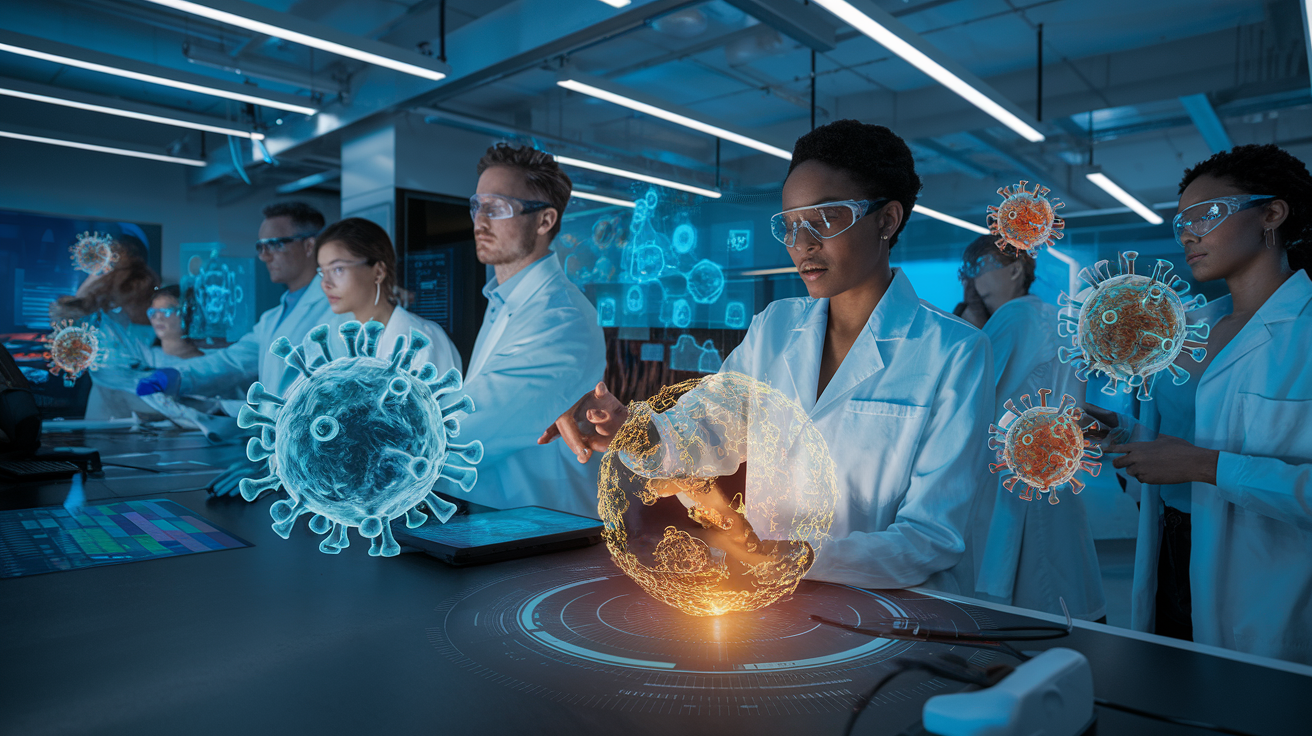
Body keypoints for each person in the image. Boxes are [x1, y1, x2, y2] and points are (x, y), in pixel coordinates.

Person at [543, 120, 994, 592]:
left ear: (887, 219)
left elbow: (931, 537)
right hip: (765, 601)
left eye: (825, 219)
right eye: (792, 224)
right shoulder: (776, 328)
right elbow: (704, 428)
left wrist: (787, 556)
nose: (802, 244)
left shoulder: (954, 352)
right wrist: (631, 430)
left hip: (885, 614)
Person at [1103, 144, 1312, 664]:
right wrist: (1124, 434)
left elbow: (1204, 458)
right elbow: (1185, 441)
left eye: (1206, 214)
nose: (1188, 233)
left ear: (1272, 213)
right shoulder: (1187, 332)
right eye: (1181, 222)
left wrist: (1207, 467)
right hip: (1171, 555)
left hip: (1267, 586)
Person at [954, 236, 1106, 621]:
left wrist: (971, 320)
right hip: (1051, 470)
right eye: (968, 272)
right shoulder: (1051, 316)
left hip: (1010, 477)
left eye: (980, 269)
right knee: (1060, 581)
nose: (973, 282)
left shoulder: (1014, 317)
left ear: (1016, 270)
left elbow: (966, 398)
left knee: (1024, 597)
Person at [137, 201, 335, 495]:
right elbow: (233, 363)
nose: (265, 255)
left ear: (310, 246)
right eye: (261, 246)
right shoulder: (272, 318)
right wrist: (177, 377)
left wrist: (281, 464)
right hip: (278, 456)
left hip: (315, 463)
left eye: (275, 245)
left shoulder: (335, 312)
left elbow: (332, 403)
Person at [453, 144, 606, 517]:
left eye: (497, 208)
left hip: (545, 526)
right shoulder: (504, 302)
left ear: (544, 221)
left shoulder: (560, 318)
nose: (479, 222)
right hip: (504, 519)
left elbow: (468, 431)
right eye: (477, 206)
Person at [314, 217, 459, 372]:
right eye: (322, 272)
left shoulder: (420, 341)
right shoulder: (333, 338)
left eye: (338, 269)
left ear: (378, 272)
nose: (325, 284)